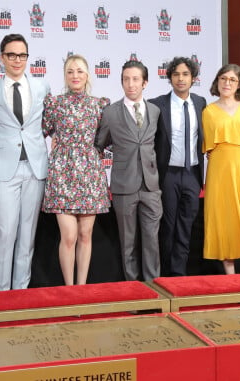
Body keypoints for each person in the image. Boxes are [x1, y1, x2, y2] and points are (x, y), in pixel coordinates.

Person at [0, 34, 51, 290]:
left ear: (27, 58)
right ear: (2, 58)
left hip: (35, 168)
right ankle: (0, 293)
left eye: (22, 55)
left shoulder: (42, 87)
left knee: (27, 235)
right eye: (11, 55)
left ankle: (21, 292)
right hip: (4, 170)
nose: (17, 60)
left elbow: (50, 124)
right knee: (5, 232)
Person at [42, 55, 110, 285]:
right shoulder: (54, 103)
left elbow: (106, 138)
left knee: (85, 235)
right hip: (62, 173)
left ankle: (81, 289)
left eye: (80, 71)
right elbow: (41, 131)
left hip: (90, 174)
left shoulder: (99, 104)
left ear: (87, 74)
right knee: (69, 237)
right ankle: (69, 290)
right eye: (70, 71)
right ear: (65, 75)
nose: (75, 76)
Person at [95, 60, 162, 281]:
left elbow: (159, 146)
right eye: (126, 79)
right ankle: (134, 289)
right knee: (128, 242)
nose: (130, 84)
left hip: (151, 187)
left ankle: (154, 288)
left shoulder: (155, 111)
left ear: (145, 83)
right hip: (124, 186)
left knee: (152, 241)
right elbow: (99, 145)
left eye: (135, 79)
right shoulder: (111, 113)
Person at [202, 63, 240, 275]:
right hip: (219, 169)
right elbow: (207, 146)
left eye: (232, 80)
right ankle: (231, 279)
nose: (227, 83)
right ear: (217, 81)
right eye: (223, 78)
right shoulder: (208, 111)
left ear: (239, 85)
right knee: (224, 218)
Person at [149, 57, 207, 276]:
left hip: (192, 173)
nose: (180, 79)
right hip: (168, 174)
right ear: (170, 78)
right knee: (168, 226)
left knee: (185, 227)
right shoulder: (157, 104)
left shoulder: (200, 103)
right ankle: (163, 274)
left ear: (193, 78)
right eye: (176, 74)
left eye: (185, 74)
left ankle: (179, 275)